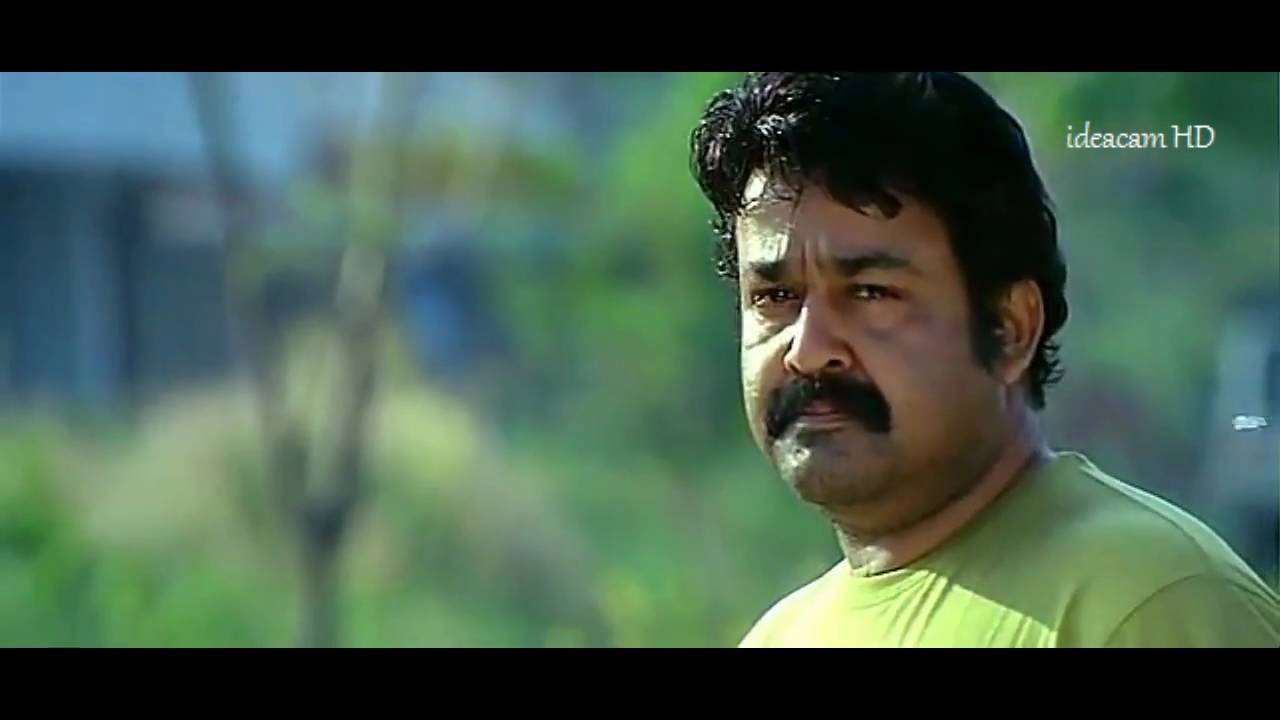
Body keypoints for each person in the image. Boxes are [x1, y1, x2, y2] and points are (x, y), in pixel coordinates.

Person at [688, 72, 1280, 647]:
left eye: (871, 293)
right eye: (775, 297)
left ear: (1009, 329)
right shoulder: (781, 636)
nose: (808, 350)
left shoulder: (1147, 604)